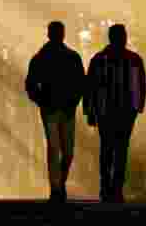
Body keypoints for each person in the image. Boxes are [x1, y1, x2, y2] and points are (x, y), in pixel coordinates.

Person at [83, 23, 146, 203]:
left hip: (110, 112)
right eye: (122, 36)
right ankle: (114, 189)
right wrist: (138, 107)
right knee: (119, 150)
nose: (123, 39)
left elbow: (89, 88)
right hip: (122, 112)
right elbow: (141, 86)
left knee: (109, 150)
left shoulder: (100, 59)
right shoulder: (133, 60)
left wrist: (89, 111)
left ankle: (108, 189)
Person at [25, 20, 85, 204]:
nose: (58, 35)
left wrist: (74, 101)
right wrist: (41, 100)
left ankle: (59, 184)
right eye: (55, 32)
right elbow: (30, 84)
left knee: (67, 152)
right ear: (51, 34)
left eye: (59, 32)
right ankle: (56, 189)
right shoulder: (41, 57)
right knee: (54, 149)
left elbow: (81, 83)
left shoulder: (71, 57)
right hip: (50, 109)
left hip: (66, 109)